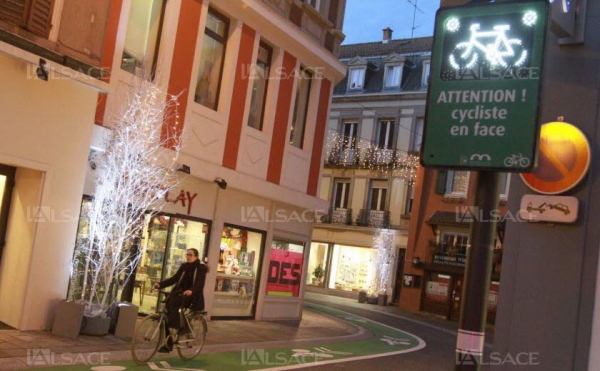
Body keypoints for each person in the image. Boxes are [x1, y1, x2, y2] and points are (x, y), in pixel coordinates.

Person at [153, 248, 208, 353]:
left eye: (190, 255)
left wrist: (191, 291)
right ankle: (168, 343)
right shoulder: (184, 266)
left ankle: (182, 329)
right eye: (187, 254)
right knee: (168, 316)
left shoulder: (200, 268)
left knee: (175, 312)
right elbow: (174, 279)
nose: (188, 256)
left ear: (196, 256)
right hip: (179, 294)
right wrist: (160, 284)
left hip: (193, 297)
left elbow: (199, 284)